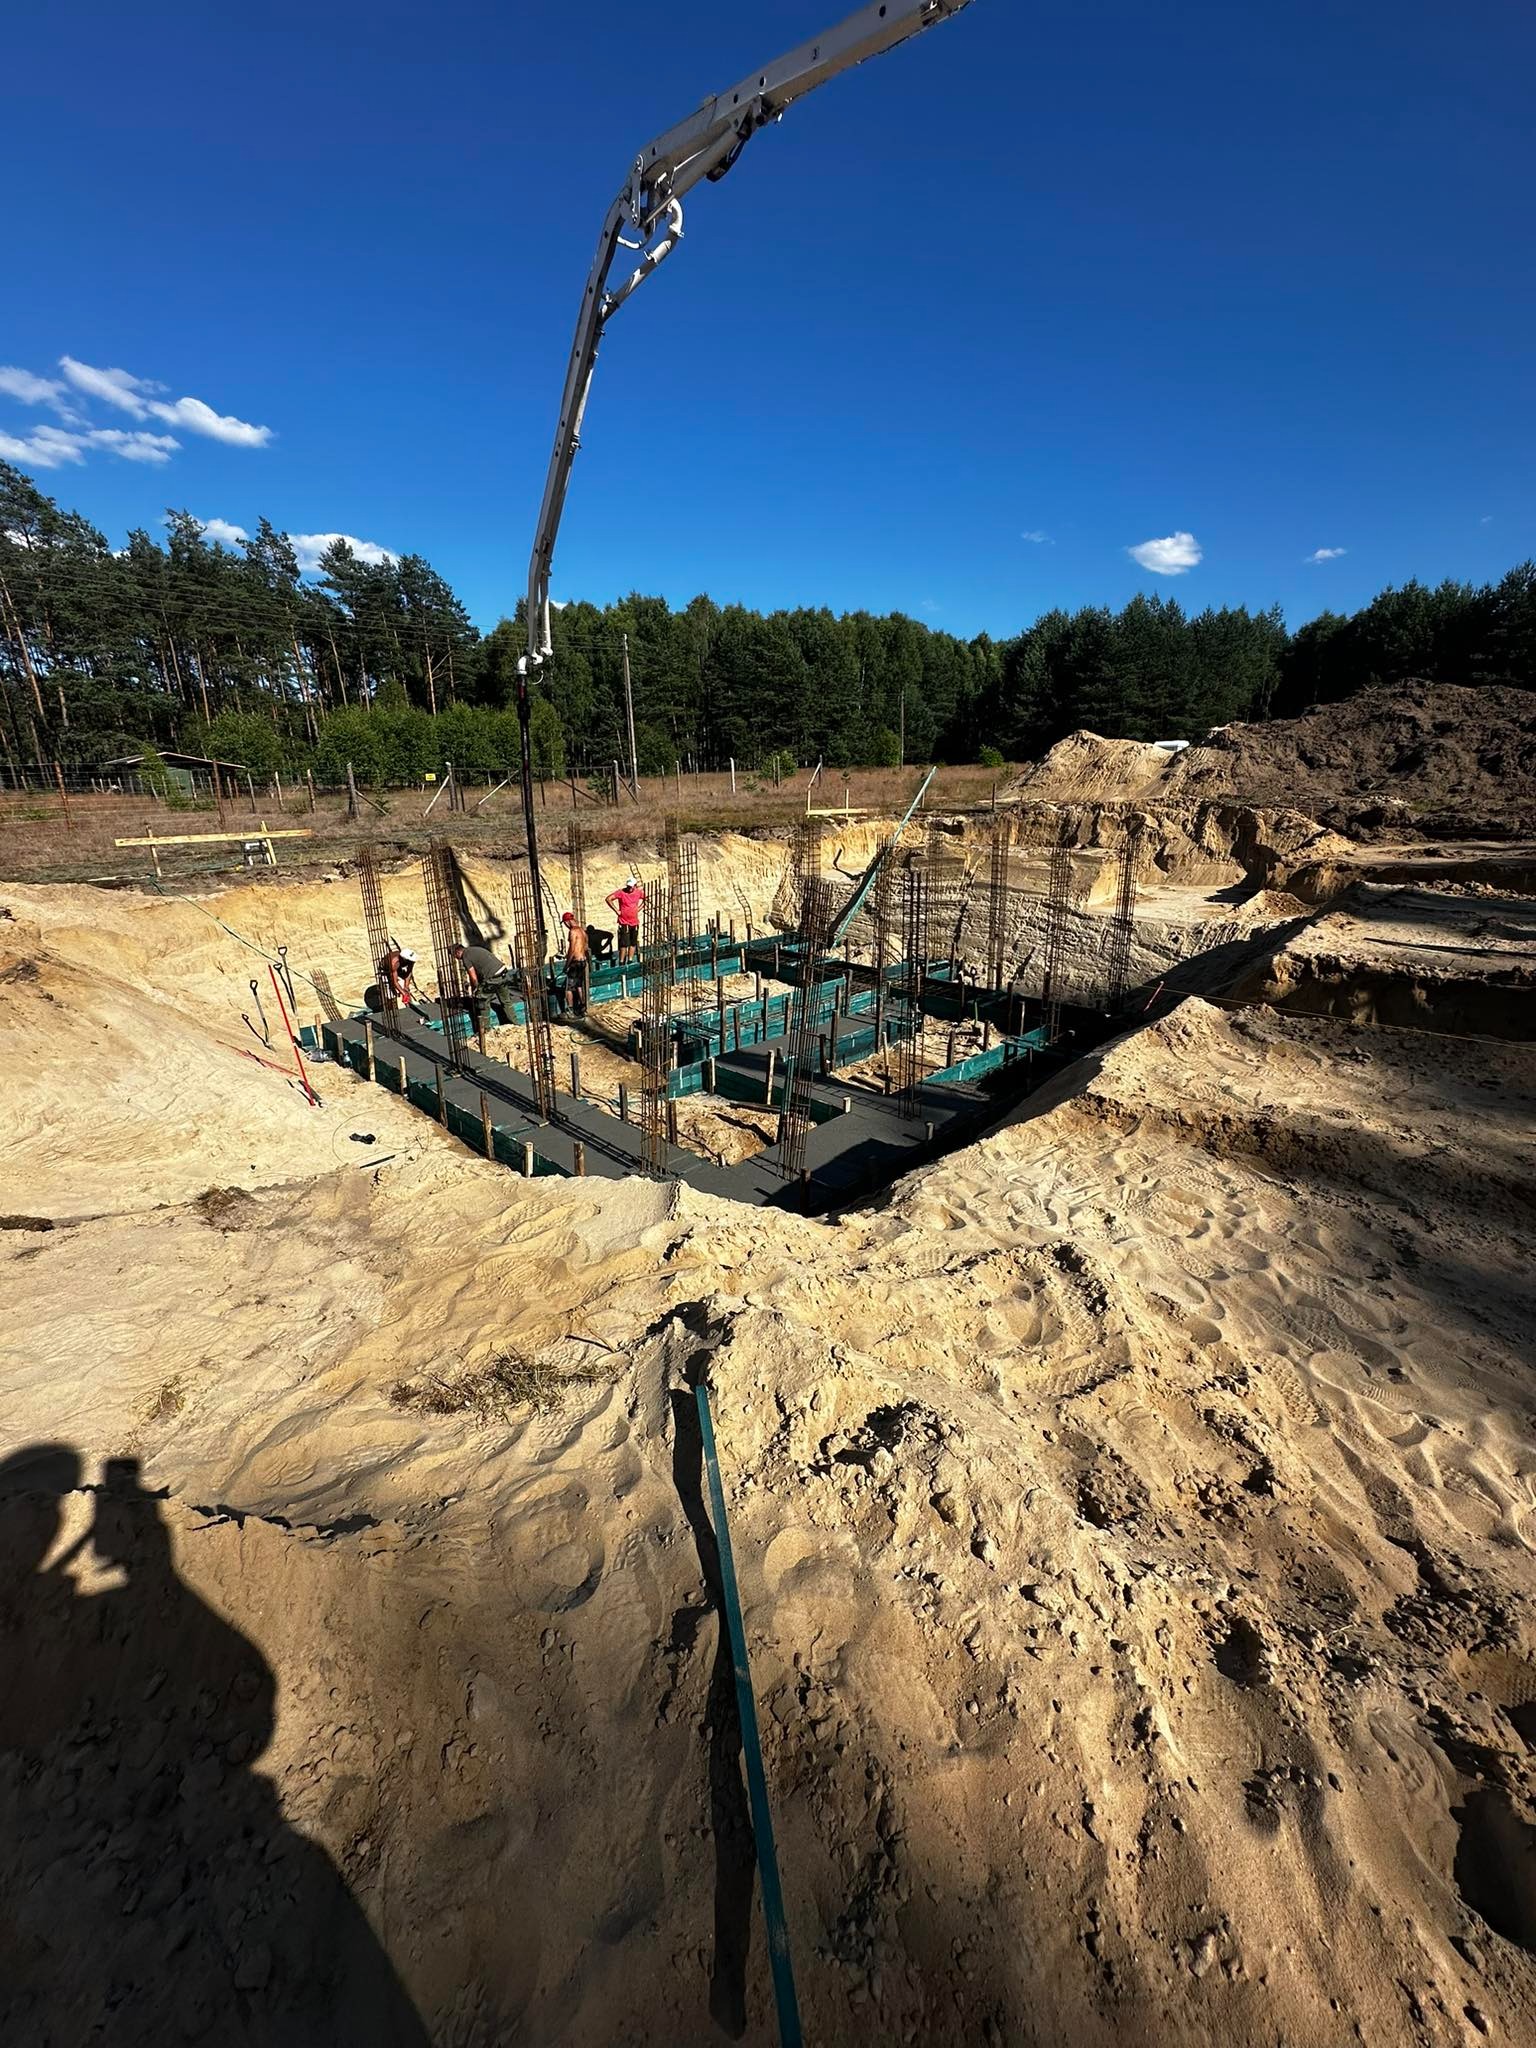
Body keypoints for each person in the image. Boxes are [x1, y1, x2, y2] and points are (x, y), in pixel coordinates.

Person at [450, 939, 514, 1027]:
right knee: (506, 1001)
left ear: (457, 952)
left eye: (454, 956)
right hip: (502, 972)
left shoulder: (465, 956)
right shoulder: (473, 949)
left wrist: (477, 989)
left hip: (492, 977)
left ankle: (485, 1029)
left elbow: (473, 976)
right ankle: (515, 1024)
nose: (456, 959)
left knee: (483, 1003)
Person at [606, 873, 646, 964]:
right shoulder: (621, 892)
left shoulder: (638, 892)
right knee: (624, 943)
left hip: (634, 921)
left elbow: (646, 899)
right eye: (628, 886)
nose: (629, 888)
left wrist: (639, 908)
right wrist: (617, 910)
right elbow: (608, 899)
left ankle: (630, 960)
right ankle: (621, 961)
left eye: (631, 887)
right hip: (624, 922)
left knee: (633, 942)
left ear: (635, 886)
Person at [560, 912, 590, 1016]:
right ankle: (583, 1008)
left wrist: (567, 965)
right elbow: (586, 947)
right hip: (582, 961)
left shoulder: (573, 931)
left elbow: (572, 949)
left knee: (568, 988)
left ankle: (570, 1010)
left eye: (565, 923)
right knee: (578, 985)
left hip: (575, 962)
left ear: (567, 922)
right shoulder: (582, 931)